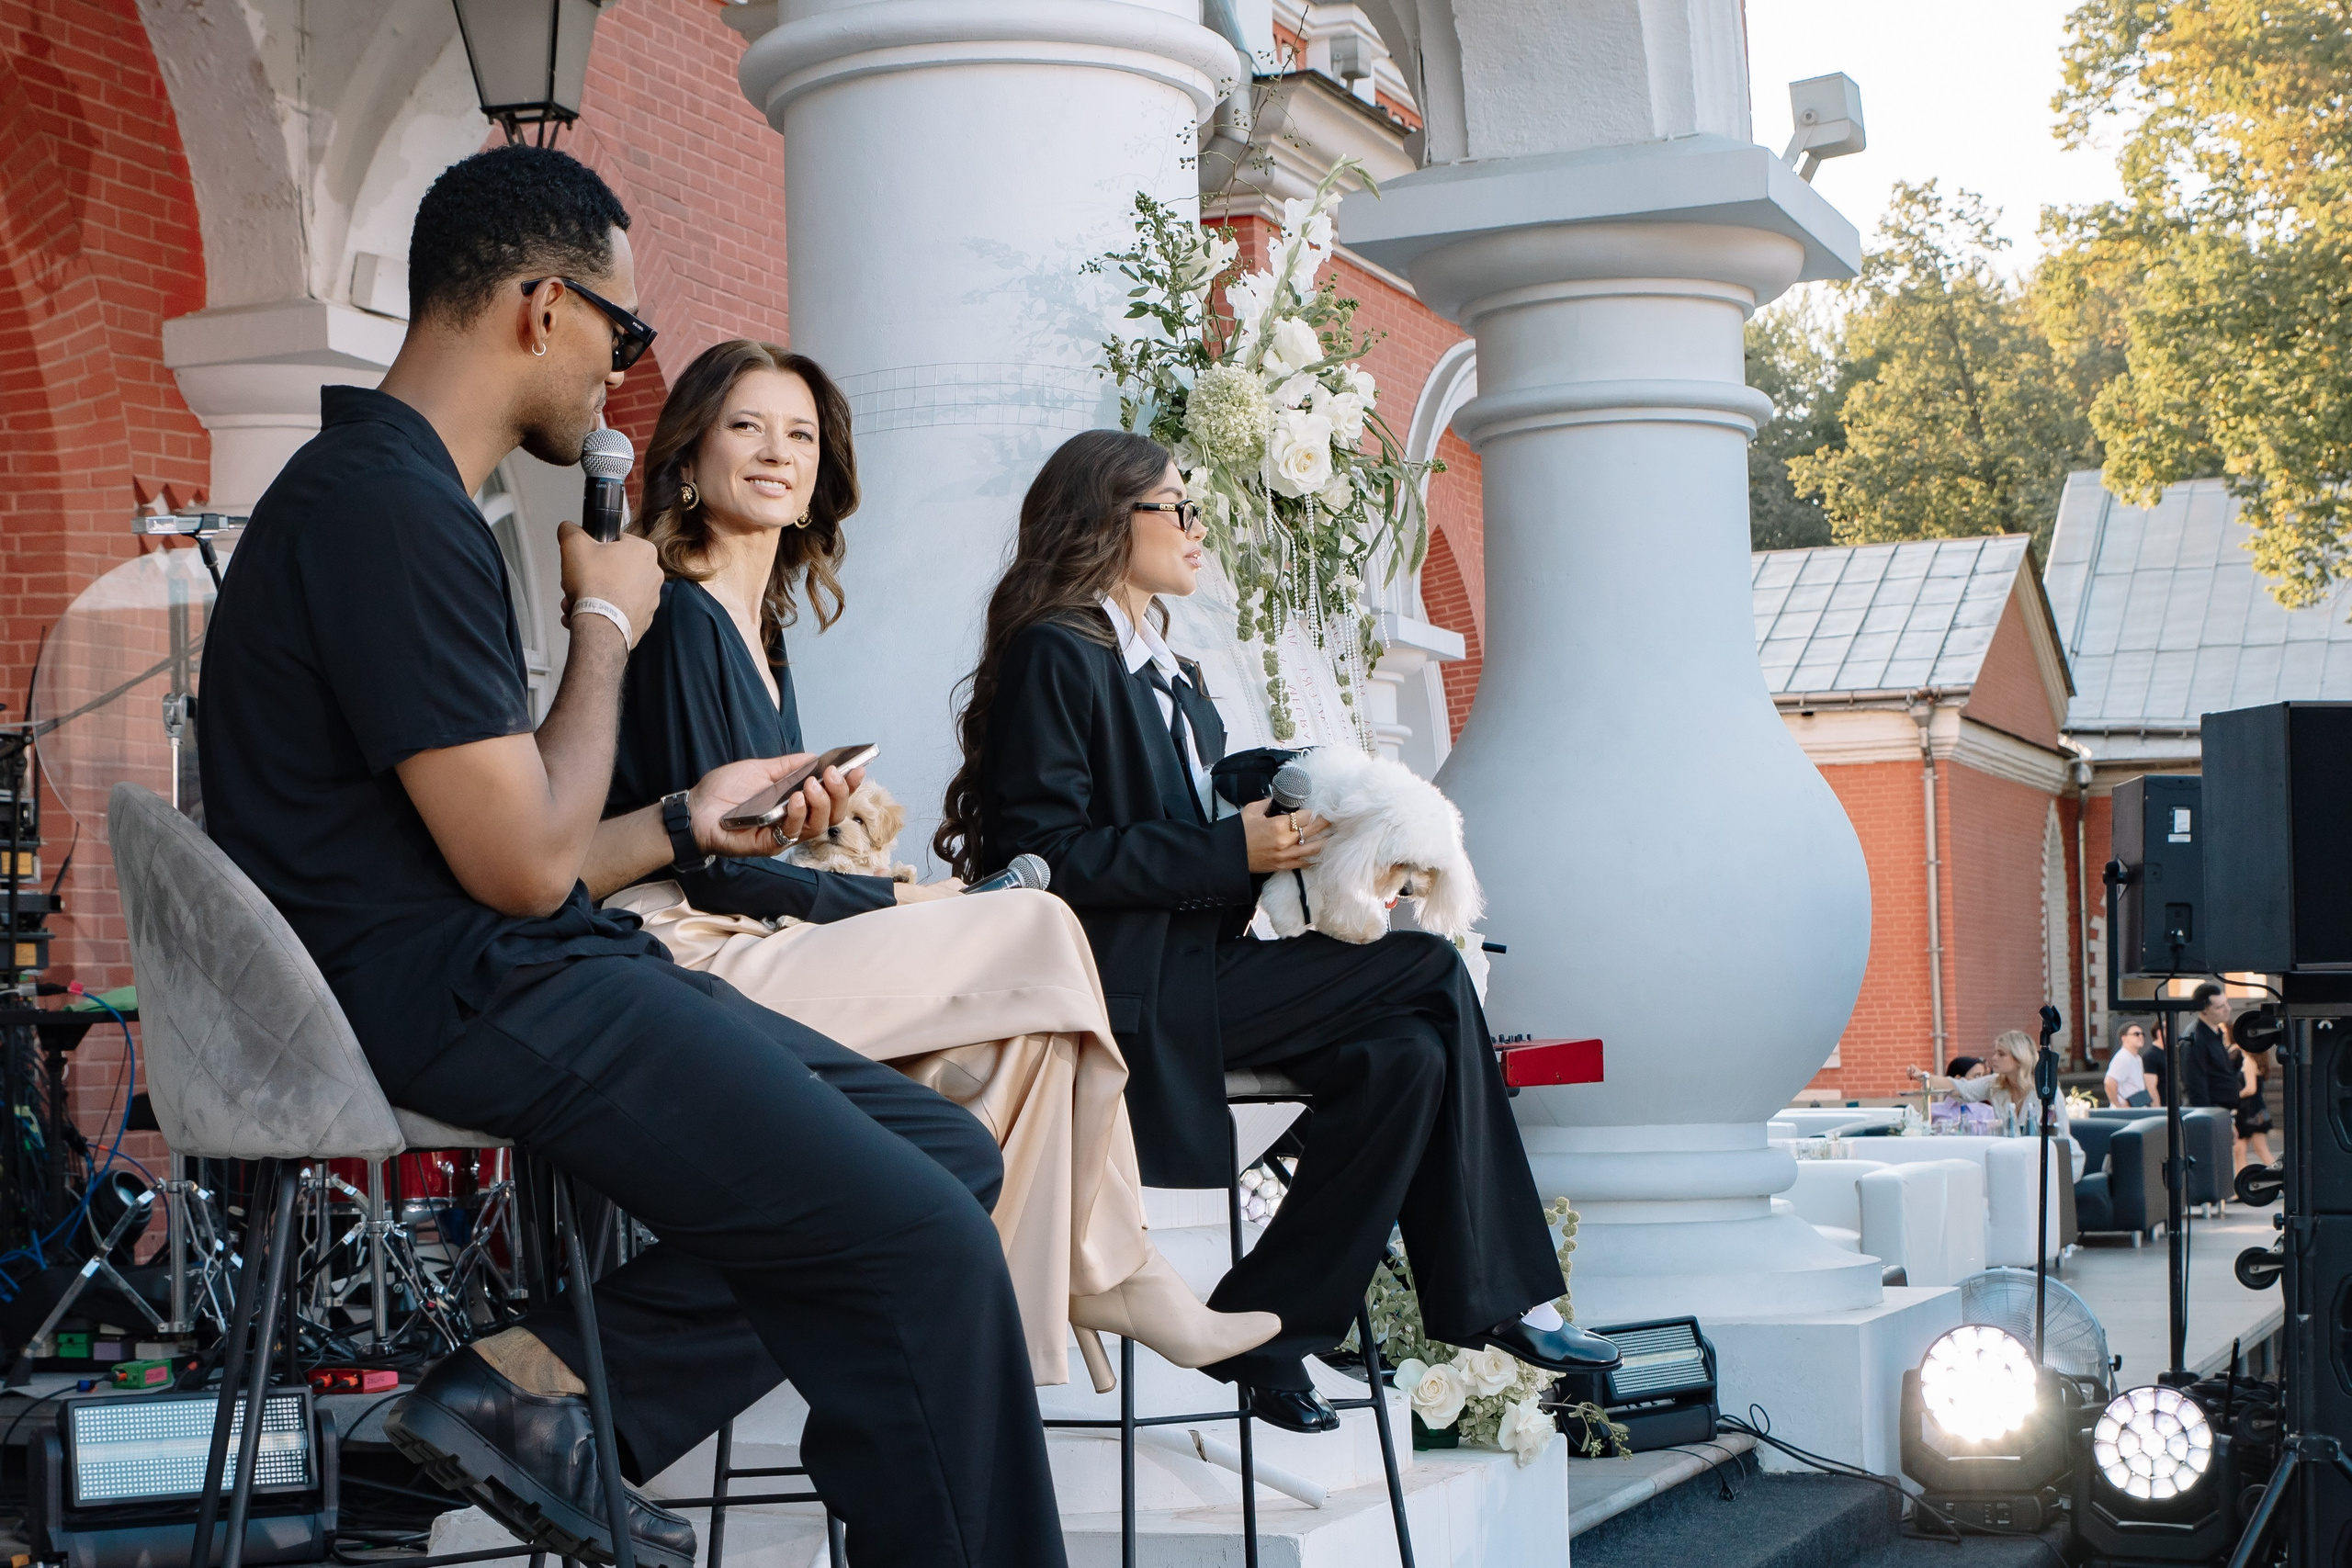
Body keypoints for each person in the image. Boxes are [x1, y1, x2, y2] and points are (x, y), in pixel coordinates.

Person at [196, 146, 1064, 1568]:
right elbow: (524, 867)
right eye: (625, 329)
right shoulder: (384, 507)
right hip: (466, 987)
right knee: (922, 1241)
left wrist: (678, 819)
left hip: (500, 959)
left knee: (944, 1149)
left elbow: (501, 847)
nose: (623, 372)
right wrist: (606, 623)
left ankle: (521, 1396)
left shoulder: (401, 497)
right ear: (545, 305)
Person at [601, 337, 1279, 1390]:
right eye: (747, 427)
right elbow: (718, 868)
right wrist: (881, 893)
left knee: (1018, 1047)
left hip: (756, 930)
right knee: (1037, 934)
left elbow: (761, 841)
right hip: (682, 951)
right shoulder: (680, 616)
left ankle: (1012, 1316)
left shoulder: (760, 629)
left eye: (802, 435)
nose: (778, 452)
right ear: (688, 454)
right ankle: (1082, 1278)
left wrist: (846, 851)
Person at [934, 429, 1619, 1438]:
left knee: (1406, 1060)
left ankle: (1273, 1328)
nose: (1196, 526)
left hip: (1205, 972)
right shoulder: (1057, 650)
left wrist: (1285, 793)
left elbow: (1182, 807)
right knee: (1427, 966)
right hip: (1124, 991)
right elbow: (1048, 860)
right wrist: (1231, 853)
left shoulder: (1174, 671)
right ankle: (1510, 1300)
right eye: (1176, 506)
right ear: (1103, 520)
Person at [1911, 1031, 2071, 1142]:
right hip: (2016, 1160)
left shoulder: (2046, 1090)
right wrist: (1924, 1077)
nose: (1993, 1058)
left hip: (2056, 1161)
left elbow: (2061, 1137)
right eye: (1995, 1052)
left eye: (2001, 1054)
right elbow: (1961, 1089)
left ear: (2019, 1058)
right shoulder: (1995, 1084)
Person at [2183, 983, 2242, 1111]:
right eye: (2220, 1007)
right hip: (2211, 1113)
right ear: (2204, 1010)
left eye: (2226, 1003)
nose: (2228, 1009)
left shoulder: (2216, 1033)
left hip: (2222, 1111)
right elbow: (2196, 1087)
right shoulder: (2196, 1039)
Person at [2232, 1024, 2276, 1175]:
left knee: (2258, 1149)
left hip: (2250, 1111)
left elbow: (2251, 1088)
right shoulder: (2252, 1061)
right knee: (2240, 1149)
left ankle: (2282, 1179)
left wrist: (2235, 1096)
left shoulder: (2249, 1062)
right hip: (2253, 1110)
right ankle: (2240, 1183)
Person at [2104, 1024, 2154, 1108]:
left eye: (2142, 1034)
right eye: (2136, 1034)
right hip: (2126, 1110)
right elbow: (2109, 1082)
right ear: (2124, 1038)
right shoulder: (2122, 1058)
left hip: (2137, 1105)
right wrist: (2117, 1105)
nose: (2140, 1037)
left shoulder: (2137, 1058)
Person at [2141, 1021, 2170, 1106]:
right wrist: (2157, 1109)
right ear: (2159, 1033)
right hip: (2163, 1107)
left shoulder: (2168, 1053)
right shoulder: (2151, 1055)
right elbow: (2151, 1087)